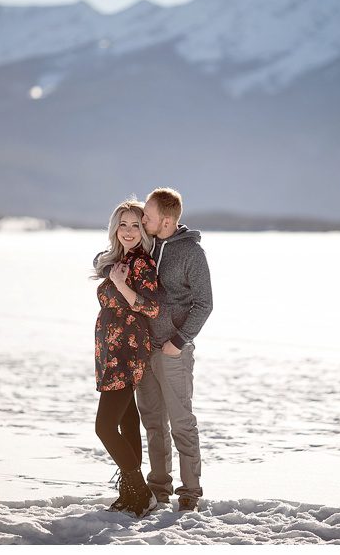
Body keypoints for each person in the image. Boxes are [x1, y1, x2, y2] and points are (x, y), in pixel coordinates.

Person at [137, 187, 213, 512]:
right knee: (154, 424)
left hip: (173, 352)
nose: (143, 220)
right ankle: (159, 488)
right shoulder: (147, 246)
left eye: (147, 215)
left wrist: (178, 341)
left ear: (166, 221)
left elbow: (204, 304)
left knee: (181, 423)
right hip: (145, 351)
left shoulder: (192, 253)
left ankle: (190, 492)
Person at [91, 199, 160, 516]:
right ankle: (129, 495)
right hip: (111, 349)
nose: (129, 231)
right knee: (127, 421)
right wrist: (111, 272)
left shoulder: (141, 263)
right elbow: (99, 262)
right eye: (123, 224)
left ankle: (142, 493)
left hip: (127, 351)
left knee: (104, 427)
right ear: (114, 228)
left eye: (135, 225)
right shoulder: (118, 260)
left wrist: (120, 283)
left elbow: (152, 307)